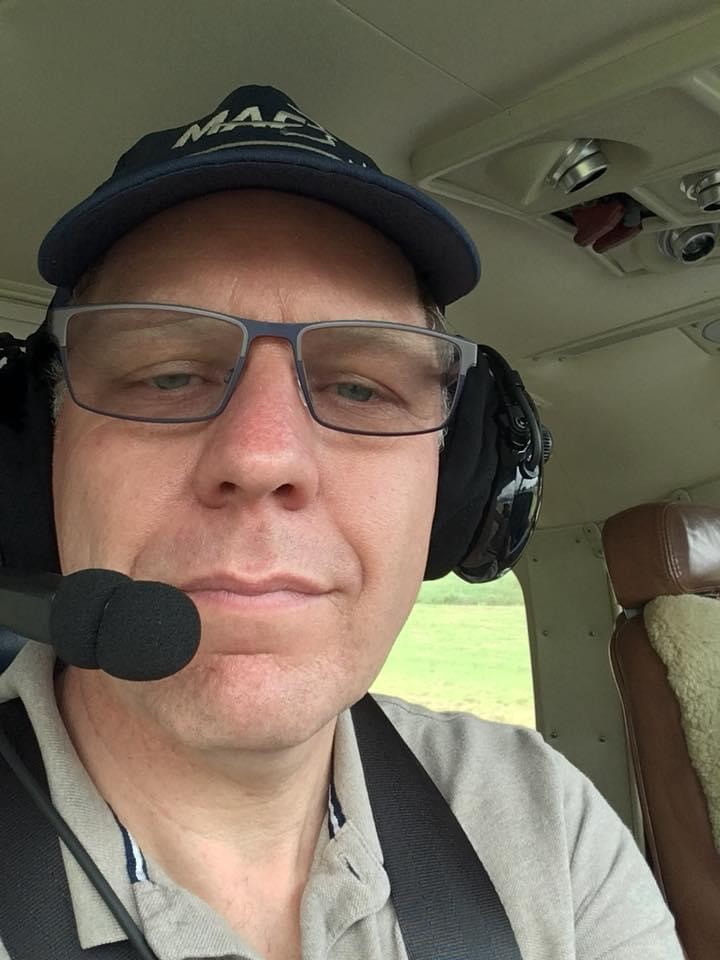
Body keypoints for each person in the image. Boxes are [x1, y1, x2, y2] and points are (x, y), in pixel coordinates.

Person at [0, 84, 683, 960]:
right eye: (167, 375)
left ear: (458, 484)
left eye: (361, 387)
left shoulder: (537, 818)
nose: (263, 457)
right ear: (30, 464)